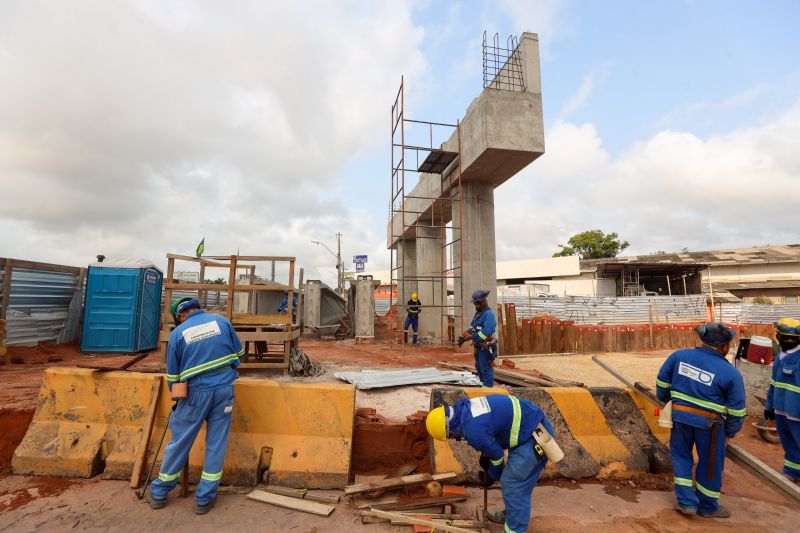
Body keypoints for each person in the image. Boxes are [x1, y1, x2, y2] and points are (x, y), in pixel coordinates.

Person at [149, 297, 244, 514]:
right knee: (216, 443)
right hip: (225, 390)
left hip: (194, 394)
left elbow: (173, 376)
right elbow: (239, 355)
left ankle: (159, 492)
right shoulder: (222, 321)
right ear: (198, 309)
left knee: (181, 441)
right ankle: (204, 499)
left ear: (181, 316)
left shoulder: (177, 334)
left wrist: (178, 399)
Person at [426, 394, 554, 533]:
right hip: (530, 428)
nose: (454, 438)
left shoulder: (472, 430)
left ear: (448, 429)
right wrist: (487, 453)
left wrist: (492, 475)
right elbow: (491, 427)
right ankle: (513, 515)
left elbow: (498, 456)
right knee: (518, 486)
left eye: (450, 436)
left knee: (512, 483)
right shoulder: (465, 409)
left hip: (533, 437)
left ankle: (515, 529)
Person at [656, 322, 746, 518]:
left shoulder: (679, 356)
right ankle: (707, 507)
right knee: (710, 464)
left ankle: (687, 502)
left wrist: (665, 398)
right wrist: (730, 432)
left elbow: (662, 381)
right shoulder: (731, 373)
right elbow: (737, 411)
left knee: (681, 458)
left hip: (680, 419)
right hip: (711, 427)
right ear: (723, 347)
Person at [764, 318, 800, 483]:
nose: (790, 341)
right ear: (778, 337)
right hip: (781, 410)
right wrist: (769, 407)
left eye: (794, 339)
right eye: (786, 338)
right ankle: (792, 472)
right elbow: (773, 383)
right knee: (788, 442)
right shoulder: (779, 356)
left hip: (797, 411)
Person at [465, 289, 498, 386]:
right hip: (479, 346)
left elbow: (486, 332)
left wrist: (471, 336)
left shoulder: (489, 314)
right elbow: (474, 325)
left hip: (486, 346)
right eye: (475, 304)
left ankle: (488, 391)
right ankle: (482, 386)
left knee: (486, 368)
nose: (476, 306)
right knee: (479, 366)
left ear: (484, 301)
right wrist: (468, 331)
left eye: (477, 303)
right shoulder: (478, 313)